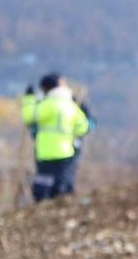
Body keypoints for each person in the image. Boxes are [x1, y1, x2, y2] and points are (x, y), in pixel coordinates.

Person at [21, 73, 89, 202]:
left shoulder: (48, 105)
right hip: (66, 152)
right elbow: (83, 127)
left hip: (46, 153)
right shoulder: (70, 105)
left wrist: (29, 99)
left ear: (47, 89)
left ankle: (43, 214)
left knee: (42, 188)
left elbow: (29, 116)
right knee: (61, 187)